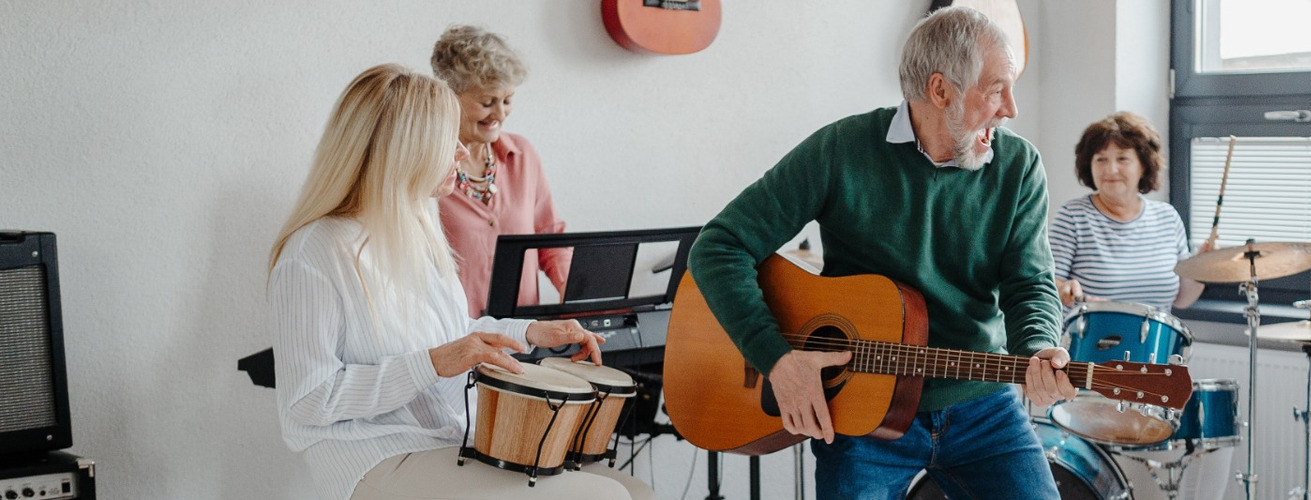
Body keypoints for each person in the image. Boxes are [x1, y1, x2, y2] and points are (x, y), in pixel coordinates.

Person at [686, 7, 1075, 499]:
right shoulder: (841, 149)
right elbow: (719, 245)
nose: (1011, 109)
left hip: (983, 408)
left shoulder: (1018, 165)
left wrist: (1040, 346)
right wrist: (777, 359)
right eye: (996, 88)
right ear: (940, 91)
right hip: (861, 412)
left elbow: (1030, 282)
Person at [268, 64, 632, 500]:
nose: (462, 151)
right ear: (407, 150)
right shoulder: (313, 255)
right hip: (371, 453)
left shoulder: (415, 229)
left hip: (448, 438)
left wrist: (533, 332)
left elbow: (455, 335)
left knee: (633, 490)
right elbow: (307, 400)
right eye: (447, 139)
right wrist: (432, 364)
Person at [431, 25, 571, 319]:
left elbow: (550, 238)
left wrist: (574, 290)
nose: (500, 114)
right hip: (453, 339)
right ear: (450, 96)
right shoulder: (425, 166)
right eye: (487, 102)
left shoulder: (523, 156)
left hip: (524, 335)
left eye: (507, 100)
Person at [1048, 111, 1217, 311]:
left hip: (1155, 342)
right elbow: (1046, 285)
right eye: (1101, 159)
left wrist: (1202, 267)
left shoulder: (1167, 218)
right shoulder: (1073, 216)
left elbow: (1181, 299)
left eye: (1122, 159)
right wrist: (1063, 287)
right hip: (1090, 340)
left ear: (1144, 165)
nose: (1110, 170)